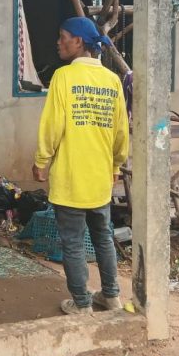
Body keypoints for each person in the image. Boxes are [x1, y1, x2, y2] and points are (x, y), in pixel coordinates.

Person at [32, 17, 129, 314]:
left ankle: (82, 304)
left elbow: (52, 126)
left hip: (71, 178)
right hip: (100, 178)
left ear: (78, 42)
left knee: (73, 243)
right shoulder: (112, 80)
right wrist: (116, 165)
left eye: (63, 37)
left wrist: (41, 160)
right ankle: (111, 296)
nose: (58, 43)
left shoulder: (63, 77)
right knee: (103, 237)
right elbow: (121, 131)